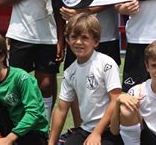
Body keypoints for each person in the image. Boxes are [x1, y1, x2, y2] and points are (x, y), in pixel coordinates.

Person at [49, 13, 122, 145]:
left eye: (84, 38)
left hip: (109, 129)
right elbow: (61, 109)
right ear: (67, 39)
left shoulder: (106, 63)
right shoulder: (70, 72)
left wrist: (97, 133)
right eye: (74, 37)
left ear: (96, 42)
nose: (78, 42)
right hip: (86, 129)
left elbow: (115, 100)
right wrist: (51, 143)